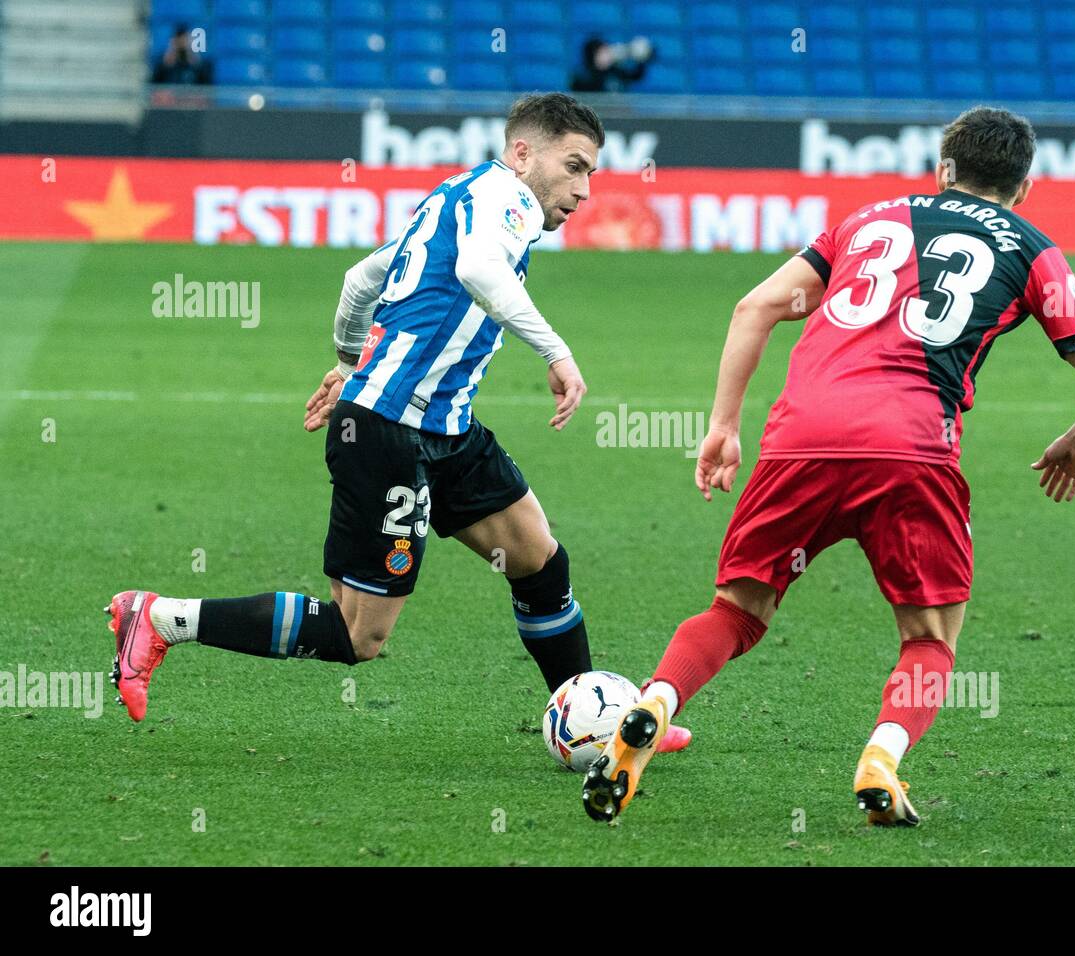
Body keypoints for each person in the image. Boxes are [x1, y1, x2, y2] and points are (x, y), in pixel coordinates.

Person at [581, 107, 1075, 825]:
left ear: (943, 171)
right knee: (929, 639)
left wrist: (721, 427)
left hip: (799, 438)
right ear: (1024, 187)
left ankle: (654, 700)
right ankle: (882, 758)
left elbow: (755, 308)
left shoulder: (866, 221)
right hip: (911, 448)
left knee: (736, 612)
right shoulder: (1033, 250)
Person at [104, 92, 690, 755]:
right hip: (386, 432)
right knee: (360, 636)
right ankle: (158, 618)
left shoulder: (454, 200)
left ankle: (603, 722)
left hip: (444, 428)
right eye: (576, 166)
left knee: (538, 558)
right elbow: (474, 270)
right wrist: (556, 352)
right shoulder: (508, 202)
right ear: (524, 153)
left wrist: (354, 363)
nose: (583, 191)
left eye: (592, 174)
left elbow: (360, 281)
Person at [570, 36, 655, 93]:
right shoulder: (582, 76)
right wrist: (600, 68)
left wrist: (640, 59)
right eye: (602, 51)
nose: (608, 53)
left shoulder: (614, 70)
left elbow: (635, 76)